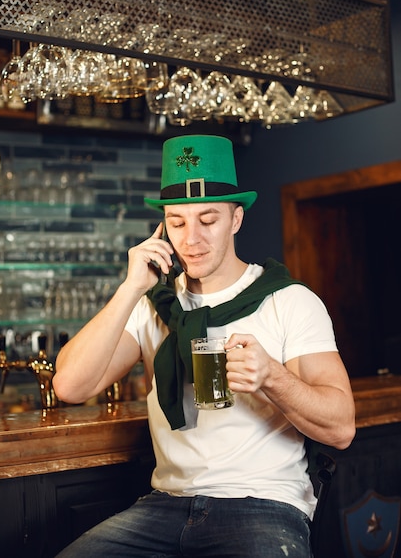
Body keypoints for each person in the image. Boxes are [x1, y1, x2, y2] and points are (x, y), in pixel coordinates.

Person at [53, 134, 355, 558]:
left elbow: (341, 428)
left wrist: (272, 376)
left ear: (236, 219)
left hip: (263, 504)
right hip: (165, 505)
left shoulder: (288, 300)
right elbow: (70, 386)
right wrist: (130, 288)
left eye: (208, 219)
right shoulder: (152, 305)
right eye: (176, 222)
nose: (190, 238)